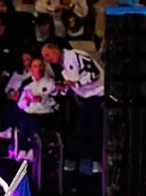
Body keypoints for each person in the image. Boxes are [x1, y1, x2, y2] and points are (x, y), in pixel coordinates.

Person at [42, 42, 104, 173]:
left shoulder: (75, 55)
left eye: (48, 54)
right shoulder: (62, 66)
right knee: (80, 128)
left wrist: (76, 84)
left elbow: (94, 73)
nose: (48, 59)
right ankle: (78, 160)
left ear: (55, 48)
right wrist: (64, 87)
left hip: (99, 94)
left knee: (93, 128)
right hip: (86, 98)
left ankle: (95, 161)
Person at [16, 54, 60, 160]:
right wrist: (26, 100)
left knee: (34, 122)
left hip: (44, 113)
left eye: (40, 66)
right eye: (35, 66)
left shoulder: (50, 82)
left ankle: (33, 150)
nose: (38, 69)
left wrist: (41, 99)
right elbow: (20, 104)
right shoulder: (27, 84)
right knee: (24, 122)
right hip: (29, 112)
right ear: (31, 69)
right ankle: (22, 149)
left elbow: (56, 102)